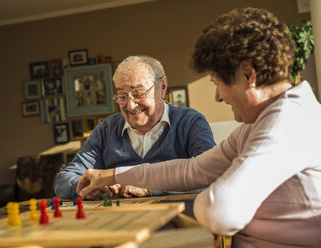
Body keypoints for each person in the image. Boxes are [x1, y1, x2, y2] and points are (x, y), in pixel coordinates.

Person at [77, 8, 321, 247]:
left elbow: (218, 211)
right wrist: (109, 175)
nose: (217, 97)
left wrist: (218, 184)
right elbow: (192, 169)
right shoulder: (258, 124)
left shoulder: (289, 122)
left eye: (217, 83)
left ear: (249, 74)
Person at [54, 55, 216, 200]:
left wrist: (151, 188)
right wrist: (88, 186)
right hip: (122, 225)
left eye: (138, 94)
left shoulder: (189, 122)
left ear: (162, 87)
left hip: (178, 223)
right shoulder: (106, 129)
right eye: (122, 97)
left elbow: (212, 176)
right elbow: (63, 180)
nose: (131, 105)